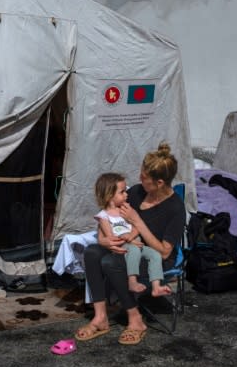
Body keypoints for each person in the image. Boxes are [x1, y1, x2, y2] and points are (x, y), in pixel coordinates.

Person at [75, 142, 185, 345]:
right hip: (126, 247)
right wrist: (103, 239)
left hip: (153, 258)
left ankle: (135, 319)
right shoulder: (136, 193)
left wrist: (137, 221)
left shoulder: (175, 209)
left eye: (144, 177)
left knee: (110, 263)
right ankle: (100, 318)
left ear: (159, 182)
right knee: (92, 252)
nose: (139, 179)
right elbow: (109, 216)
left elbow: (164, 252)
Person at [93, 172, 173, 298]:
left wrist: (131, 236)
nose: (126, 194)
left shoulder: (126, 209)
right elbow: (111, 237)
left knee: (155, 254)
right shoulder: (104, 216)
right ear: (109, 195)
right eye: (122, 192)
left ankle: (156, 286)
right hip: (123, 247)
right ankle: (132, 281)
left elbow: (136, 225)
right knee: (134, 251)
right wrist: (129, 241)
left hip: (135, 242)